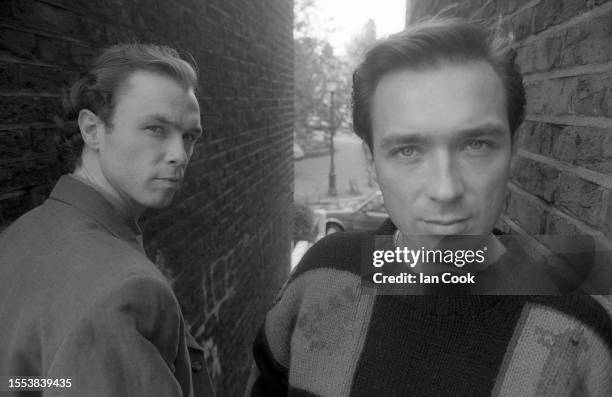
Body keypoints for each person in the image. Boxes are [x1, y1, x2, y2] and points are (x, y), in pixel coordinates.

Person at [246, 18, 612, 396]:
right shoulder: (317, 279)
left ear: (514, 150)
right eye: (408, 150)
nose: (445, 188)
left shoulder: (583, 334)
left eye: (476, 145)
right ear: (372, 162)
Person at [0, 44, 215, 396]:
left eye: (190, 136)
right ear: (92, 129)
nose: (180, 155)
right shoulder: (127, 291)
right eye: (155, 129)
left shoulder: (19, 234)